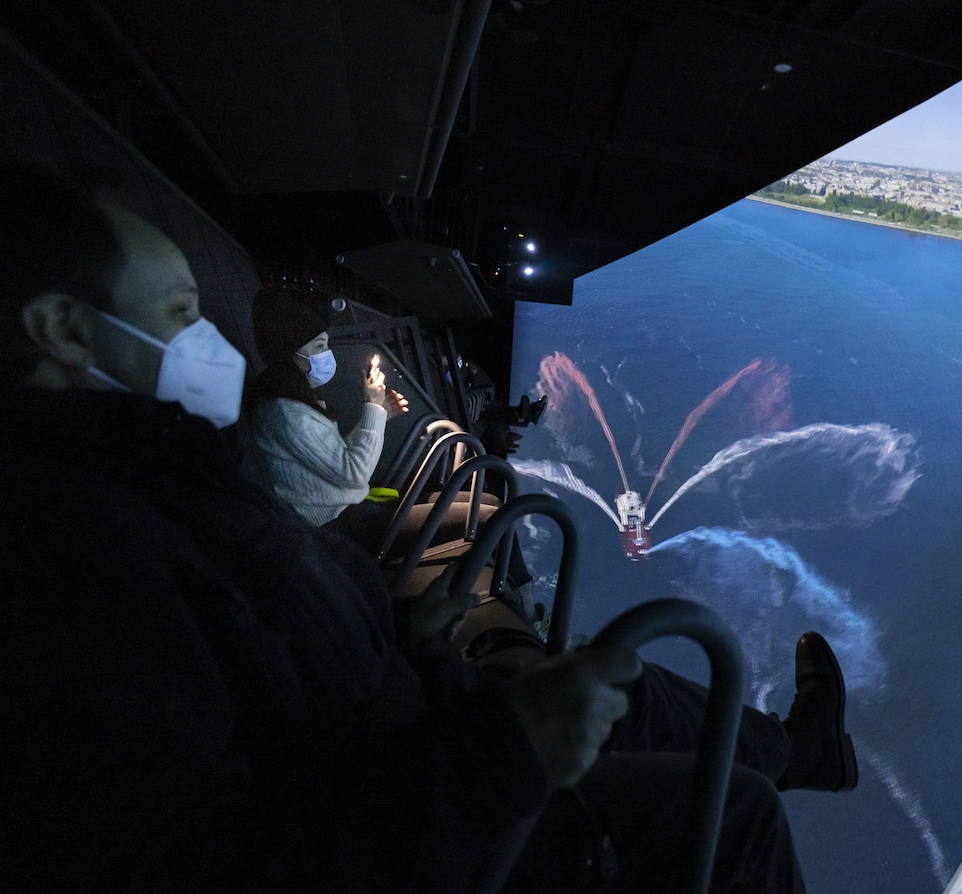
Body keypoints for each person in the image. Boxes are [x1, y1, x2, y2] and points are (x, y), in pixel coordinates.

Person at [1, 160, 858, 893]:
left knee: (620, 682)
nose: (211, 336)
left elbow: (263, 656)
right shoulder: (67, 562)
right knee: (731, 817)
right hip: (417, 811)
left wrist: (405, 636)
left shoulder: (153, 480)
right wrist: (505, 752)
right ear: (67, 330)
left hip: (407, 730)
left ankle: (796, 748)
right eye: (181, 311)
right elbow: (198, 861)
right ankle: (787, 757)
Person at [241, 286, 502, 554]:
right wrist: (373, 407)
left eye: (327, 344)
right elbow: (354, 473)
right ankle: (511, 591)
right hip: (338, 530)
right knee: (490, 518)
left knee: (488, 500)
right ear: (289, 353)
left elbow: (337, 462)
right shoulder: (287, 414)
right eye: (319, 346)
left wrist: (380, 414)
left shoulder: (293, 404)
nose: (327, 354)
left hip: (355, 511)